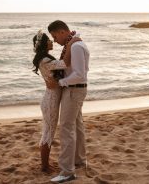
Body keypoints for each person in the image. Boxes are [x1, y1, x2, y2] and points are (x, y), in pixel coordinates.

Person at [47, 20, 90, 183]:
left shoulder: (76, 46)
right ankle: (79, 160)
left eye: (55, 36)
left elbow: (79, 74)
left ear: (63, 32)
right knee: (77, 126)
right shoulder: (73, 44)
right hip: (76, 90)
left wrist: (59, 83)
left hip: (74, 89)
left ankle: (67, 172)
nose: (55, 40)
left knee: (66, 128)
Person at [32, 30, 80, 173]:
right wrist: (71, 43)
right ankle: (45, 166)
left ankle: (45, 164)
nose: (52, 41)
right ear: (44, 44)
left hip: (50, 98)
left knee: (48, 132)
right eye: (49, 39)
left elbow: (60, 65)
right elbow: (65, 63)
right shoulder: (45, 60)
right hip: (51, 100)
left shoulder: (46, 59)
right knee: (48, 133)